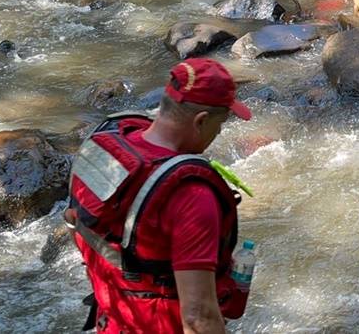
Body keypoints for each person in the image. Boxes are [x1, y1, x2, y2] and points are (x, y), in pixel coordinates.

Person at [66, 58, 252, 334]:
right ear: (201, 121)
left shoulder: (105, 147)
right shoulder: (192, 196)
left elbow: (75, 222)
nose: (220, 131)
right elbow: (198, 318)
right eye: (221, 122)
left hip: (111, 320)